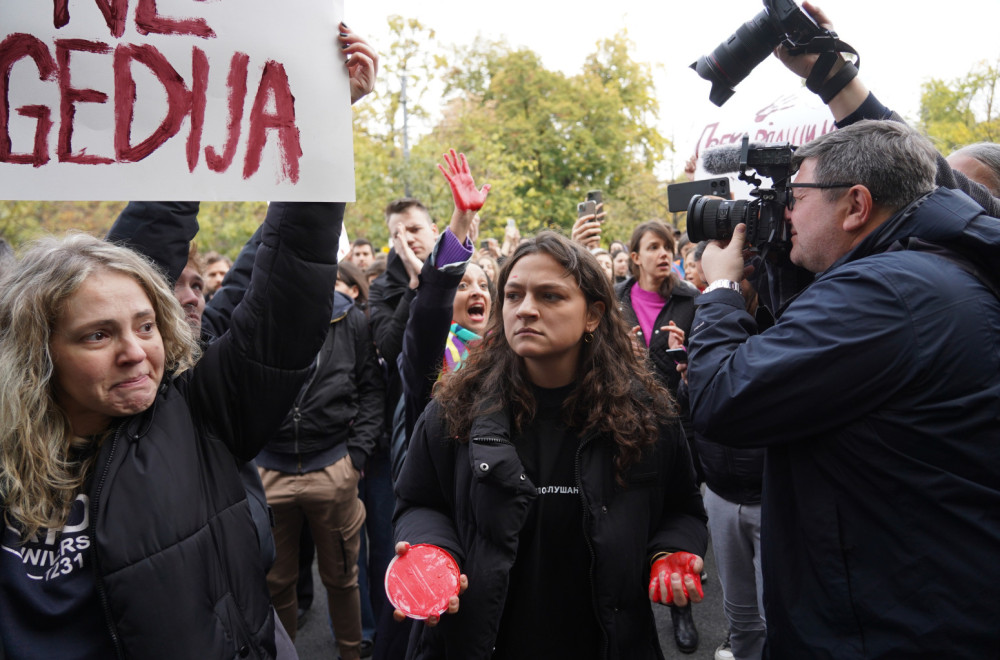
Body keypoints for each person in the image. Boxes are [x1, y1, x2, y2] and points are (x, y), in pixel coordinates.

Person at [688, 119, 1000, 658]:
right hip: (921, 600)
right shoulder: (927, 271)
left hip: (886, 628)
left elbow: (722, 397)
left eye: (797, 195)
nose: (784, 212)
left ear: (856, 205)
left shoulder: (885, 291)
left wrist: (718, 290)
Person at [0, 198, 343, 658]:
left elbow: (286, 306)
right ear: (36, 353)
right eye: (98, 335)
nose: (134, 352)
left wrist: (314, 172)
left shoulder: (198, 415)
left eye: (145, 327)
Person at [392, 231, 707, 660]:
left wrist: (671, 551)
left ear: (593, 315)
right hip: (481, 641)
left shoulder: (647, 414)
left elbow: (682, 509)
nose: (525, 310)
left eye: (550, 296)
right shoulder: (456, 407)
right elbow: (419, 502)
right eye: (514, 295)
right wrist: (433, 550)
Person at [614, 219, 703, 653]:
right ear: (635, 258)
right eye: (653, 247)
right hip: (625, 422)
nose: (664, 254)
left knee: (673, 514)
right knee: (632, 516)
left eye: (667, 246)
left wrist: (690, 358)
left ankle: (680, 607)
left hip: (677, 423)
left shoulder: (692, 300)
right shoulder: (614, 302)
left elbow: (708, 362)